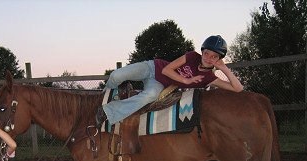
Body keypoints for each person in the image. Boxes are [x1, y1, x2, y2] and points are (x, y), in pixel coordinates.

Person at [96, 35, 243, 127]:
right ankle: (103, 96)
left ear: (219, 59)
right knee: (116, 76)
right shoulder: (192, 56)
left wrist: (225, 70)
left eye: (214, 56)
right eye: (206, 53)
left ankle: (107, 111)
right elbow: (167, 70)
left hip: (160, 84)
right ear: (202, 51)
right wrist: (186, 81)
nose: (208, 58)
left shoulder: (210, 78)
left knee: (150, 96)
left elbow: (238, 89)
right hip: (153, 67)